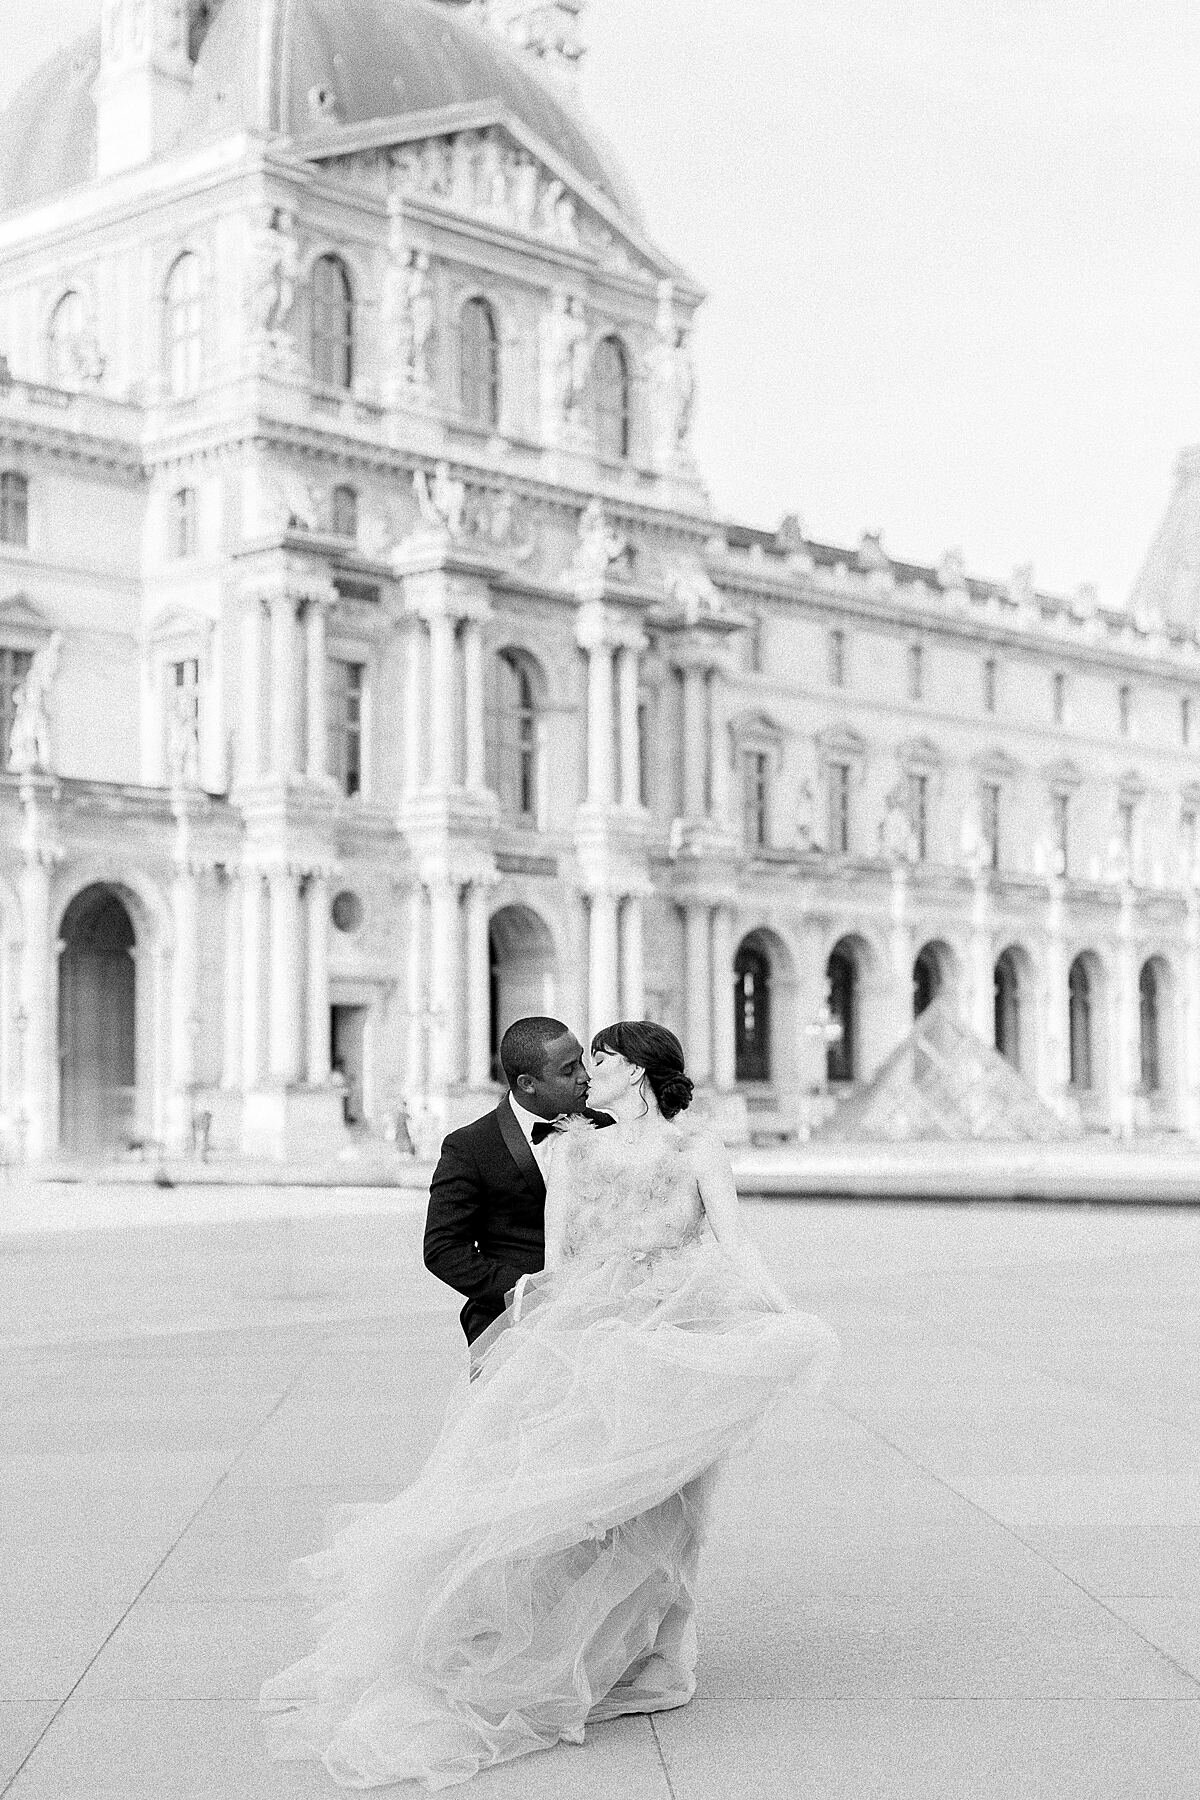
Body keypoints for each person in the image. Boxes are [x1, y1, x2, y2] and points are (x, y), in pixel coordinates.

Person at [261, 1021, 838, 1790]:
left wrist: (782, 1314)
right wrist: (533, 1333)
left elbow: (737, 1244)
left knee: (676, 1506)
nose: (585, 1073)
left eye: (595, 1060)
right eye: (575, 1064)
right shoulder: (554, 1148)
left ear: (634, 1074)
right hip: (587, 1339)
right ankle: (552, 1644)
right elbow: (550, 1259)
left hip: (680, 1334)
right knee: (570, 1508)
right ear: (530, 1082)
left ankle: (664, 1658)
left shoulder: (689, 1147)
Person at [422, 1015, 614, 1360]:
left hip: (601, 1318)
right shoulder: (469, 1147)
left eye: (583, 1060)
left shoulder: (606, 1128)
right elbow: (443, 1249)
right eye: (569, 1070)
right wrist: (528, 1290)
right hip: (508, 1323)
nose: (586, 1076)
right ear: (527, 1083)